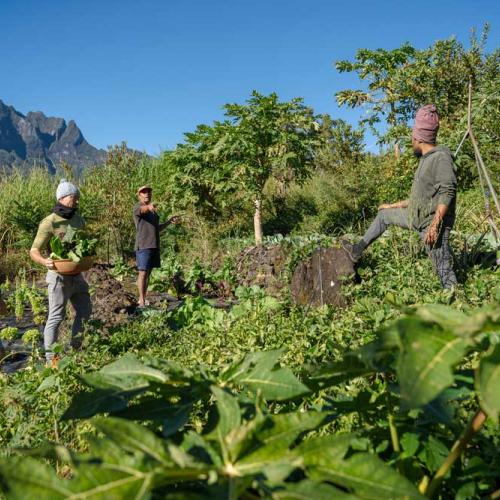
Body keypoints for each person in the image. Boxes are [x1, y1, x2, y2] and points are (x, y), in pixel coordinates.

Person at [343, 104, 458, 290]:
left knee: (443, 270)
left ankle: (457, 306)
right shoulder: (425, 159)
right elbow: (420, 198)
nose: (411, 142)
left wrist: (435, 226)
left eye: (412, 137)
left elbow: (448, 192)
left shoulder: (441, 158)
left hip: (430, 224)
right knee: (383, 216)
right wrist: (392, 205)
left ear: (418, 138)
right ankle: (356, 251)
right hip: (415, 216)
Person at [30, 179, 92, 363]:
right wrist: (44, 261)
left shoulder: (78, 219)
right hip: (58, 277)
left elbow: (83, 244)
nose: (78, 202)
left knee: (85, 310)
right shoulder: (49, 222)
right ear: (63, 198)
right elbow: (34, 251)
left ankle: (75, 349)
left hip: (77, 275)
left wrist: (87, 254)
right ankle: (52, 360)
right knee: (56, 317)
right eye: (75, 198)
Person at [133, 185, 178, 307]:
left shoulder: (153, 212)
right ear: (139, 195)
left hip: (154, 245)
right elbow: (143, 210)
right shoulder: (138, 207)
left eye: (148, 192)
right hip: (143, 245)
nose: (146, 193)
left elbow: (156, 228)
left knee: (148, 273)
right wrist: (149, 207)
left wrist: (168, 222)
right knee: (142, 273)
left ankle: (143, 298)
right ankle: (141, 301)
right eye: (143, 192)